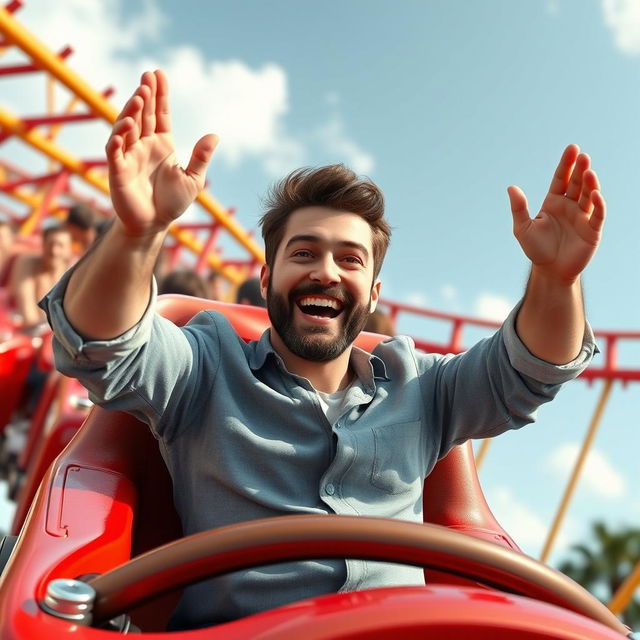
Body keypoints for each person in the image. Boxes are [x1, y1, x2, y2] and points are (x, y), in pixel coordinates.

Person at [40, 70, 605, 630]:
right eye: (304, 253)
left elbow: (528, 371)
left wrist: (555, 280)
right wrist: (137, 232)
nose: (326, 272)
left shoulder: (423, 387)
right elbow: (101, 345)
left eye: (350, 259)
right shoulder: (205, 365)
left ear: (374, 292)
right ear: (266, 279)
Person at [11, 224, 71, 331]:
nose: (54, 251)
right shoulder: (28, 264)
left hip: (54, 334)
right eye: (51, 244)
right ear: (43, 245)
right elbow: (27, 310)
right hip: (27, 329)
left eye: (60, 245)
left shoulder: (72, 274)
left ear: (68, 249)